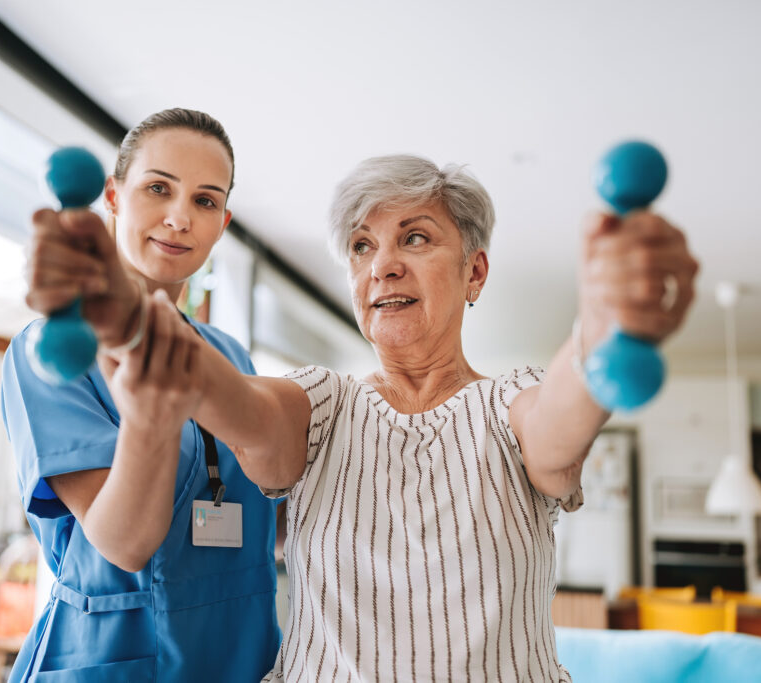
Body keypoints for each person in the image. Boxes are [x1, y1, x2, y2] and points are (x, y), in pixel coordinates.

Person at [79, 152, 699, 681]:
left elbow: (558, 421)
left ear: (474, 271)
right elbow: (246, 409)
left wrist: (602, 325)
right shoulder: (325, 402)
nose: (382, 265)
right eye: (362, 247)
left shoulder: (509, 403)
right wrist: (152, 337)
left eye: (416, 238)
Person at [1, 108, 281, 681]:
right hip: (111, 656)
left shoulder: (232, 358)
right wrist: (150, 416)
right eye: (159, 188)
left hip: (241, 653)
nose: (179, 218)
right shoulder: (52, 352)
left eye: (205, 201)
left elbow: (268, 523)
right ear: (112, 196)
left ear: (222, 223)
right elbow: (126, 544)